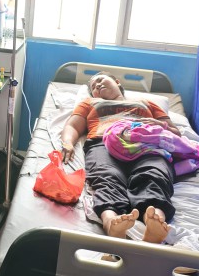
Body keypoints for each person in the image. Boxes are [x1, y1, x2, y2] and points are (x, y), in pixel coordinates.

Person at [60, 72, 180, 244]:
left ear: (117, 82)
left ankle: (154, 222)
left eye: (100, 80)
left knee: (153, 174)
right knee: (107, 176)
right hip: (103, 143)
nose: (97, 85)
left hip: (146, 143)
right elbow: (72, 126)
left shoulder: (147, 103)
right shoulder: (89, 103)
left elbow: (176, 133)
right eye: (93, 87)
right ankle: (112, 222)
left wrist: (161, 125)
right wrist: (68, 143)